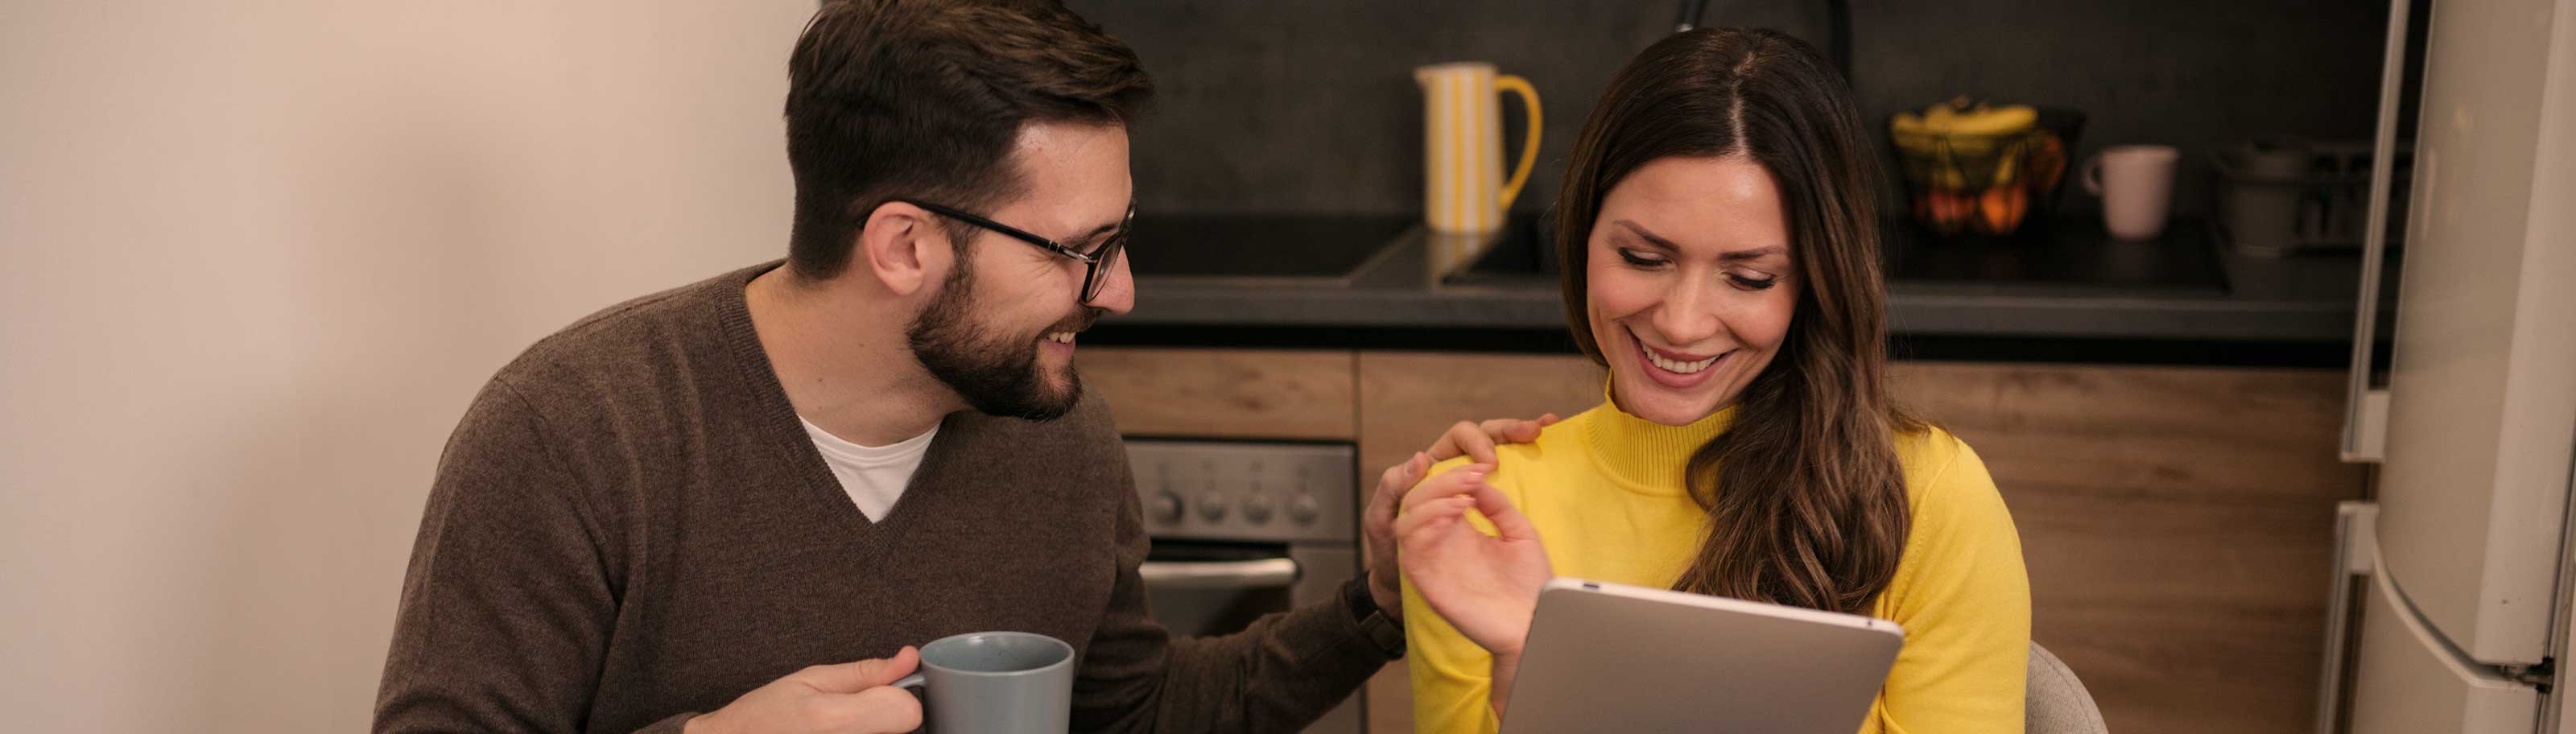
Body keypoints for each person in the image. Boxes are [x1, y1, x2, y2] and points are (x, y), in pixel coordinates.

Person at [372, 2, 1405, 732]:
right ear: (905, 245)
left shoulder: (1053, 426)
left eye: (1120, 238)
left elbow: (1127, 713)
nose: (1120, 292)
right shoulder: (573, 433)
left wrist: (1378, 610)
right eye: (1079, 251)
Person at [1381, 27, 2032, 733]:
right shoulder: (1479, 517)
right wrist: (1522, 671)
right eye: (1642, 257)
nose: (1684, 324)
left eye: (1748, 277)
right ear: (1581, 235)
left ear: (1815, 282)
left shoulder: (1929, 496)